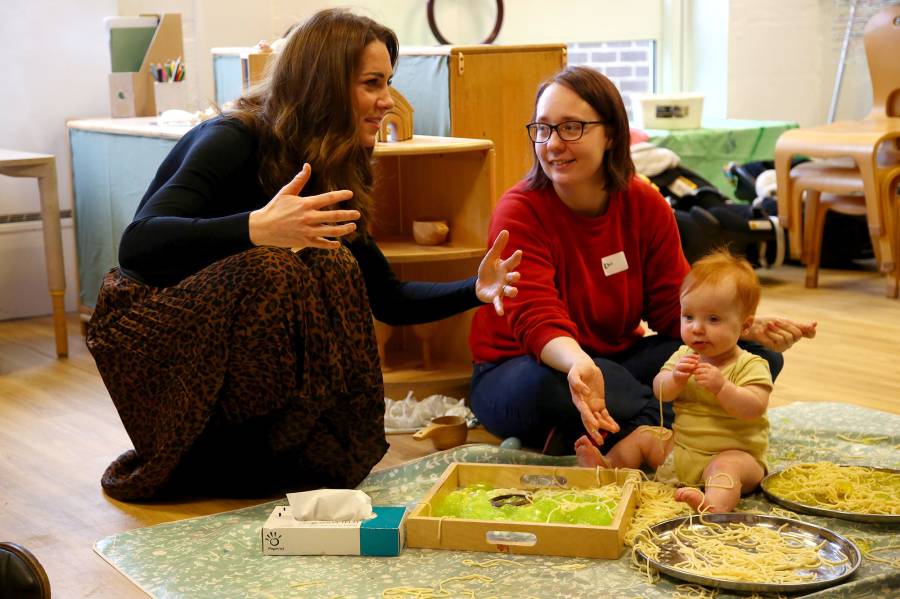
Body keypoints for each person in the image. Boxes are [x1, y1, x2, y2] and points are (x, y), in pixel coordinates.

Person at [86, 8, 522, 502]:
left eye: (388, 83)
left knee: (332, 264)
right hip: (144, 325)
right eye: (372, 84)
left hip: (223, 330)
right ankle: (218, 458)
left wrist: (475, 288)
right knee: (272, 267)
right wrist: (256, 228)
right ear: (325, 85)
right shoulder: (232, 137)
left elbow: (386, 296)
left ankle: (277, 455)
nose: (388, 101)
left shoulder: (330, 160)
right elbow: (139, 244)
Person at [467, 66, 815, 458]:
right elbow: (537, 320)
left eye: (571, 128)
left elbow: (673, 308)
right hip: (527, 368)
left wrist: (737, 329)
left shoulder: (643, 203)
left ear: (611, 133)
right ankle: (671, 432)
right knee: (566, 385)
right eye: (543, 128)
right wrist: (581, 365)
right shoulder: (520, 211)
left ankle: (626, 431)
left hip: (615, 361)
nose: (552, 143)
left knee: (757, 359)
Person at [575, 249, 772, 513]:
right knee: (645, 436)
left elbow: (754, 407)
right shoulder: (683, 355)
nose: (697, 328)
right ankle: (609, 467)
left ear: (745, 326)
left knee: (726, 469)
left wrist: (723, 388)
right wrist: (675, 379)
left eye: (713, 319)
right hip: (681, 450)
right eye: (688, 317)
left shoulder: (750, 364)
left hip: (736, 454)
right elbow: (660, 390)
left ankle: (713, 506)